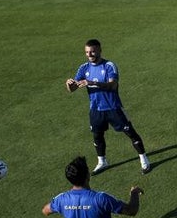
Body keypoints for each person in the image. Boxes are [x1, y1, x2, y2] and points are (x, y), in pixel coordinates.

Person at [65, 38, 151, 175]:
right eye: (87, 52)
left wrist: (93, 83)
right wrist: (70, 85)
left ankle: (144, 160)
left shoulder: (109, 66)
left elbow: (113, 85)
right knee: (97, 136)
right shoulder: (84, 68)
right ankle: (102, 161)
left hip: (113, 107)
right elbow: (74, 87)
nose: (90, 55)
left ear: (99, 50)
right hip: (95, 109)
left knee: (130, 133)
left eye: (93, 52)